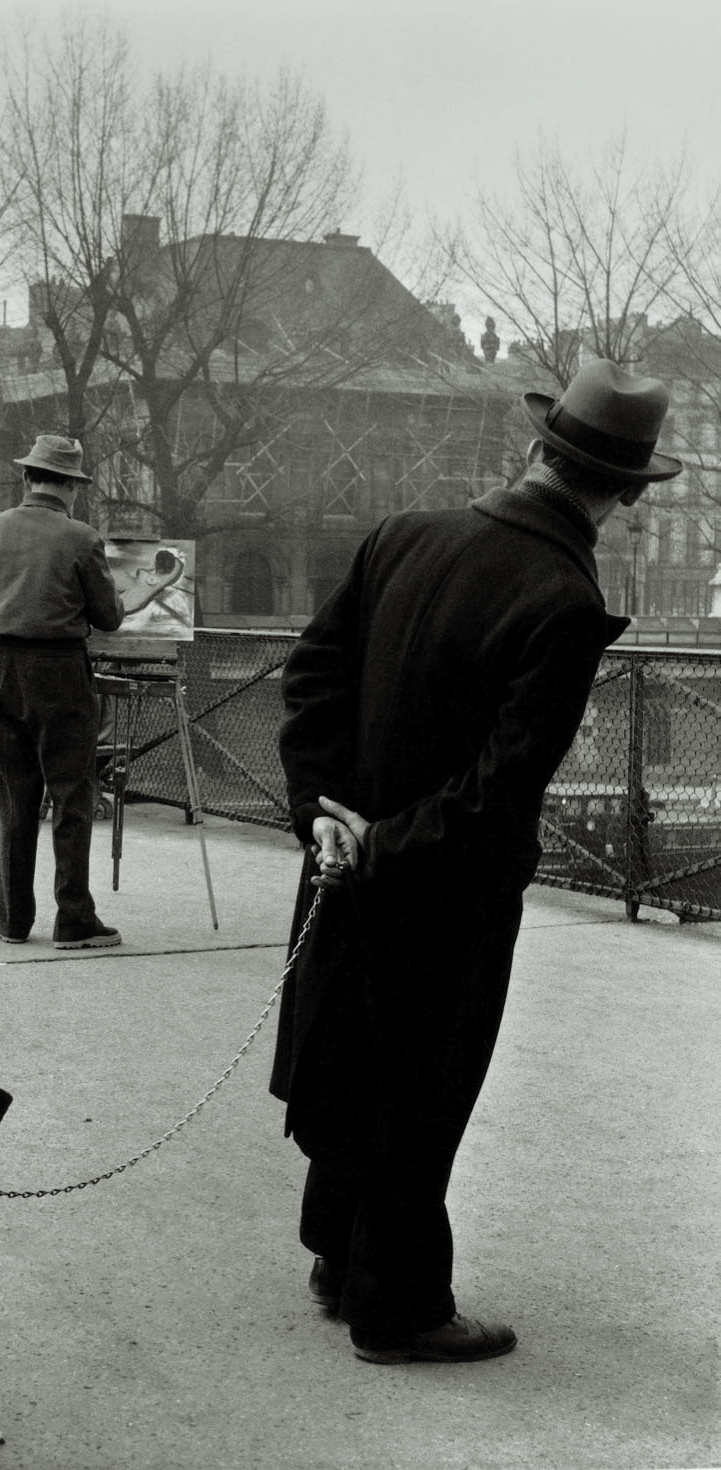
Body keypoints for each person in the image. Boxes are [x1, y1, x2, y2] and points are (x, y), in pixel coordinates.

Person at [270, 358, 681, 1365]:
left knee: (348, 1054)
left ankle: (337, 1255)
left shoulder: (403, 534)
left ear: (538, 449)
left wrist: (322, 816)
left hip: (338, 861)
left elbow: (312, 676)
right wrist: (387, 848)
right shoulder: (563, 599)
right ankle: (397, 1306)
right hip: (440, 893)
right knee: (422, 1090)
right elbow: (501, 789)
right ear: (623, 494)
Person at [0, 433, 125, 948]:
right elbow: (109, 617)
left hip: (0, 672)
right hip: (59, 673)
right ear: (71, 486)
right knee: (71, 796)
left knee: (13, 796)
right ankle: (73, 919)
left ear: (27, 478)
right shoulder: (80, 538)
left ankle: (11, 920)